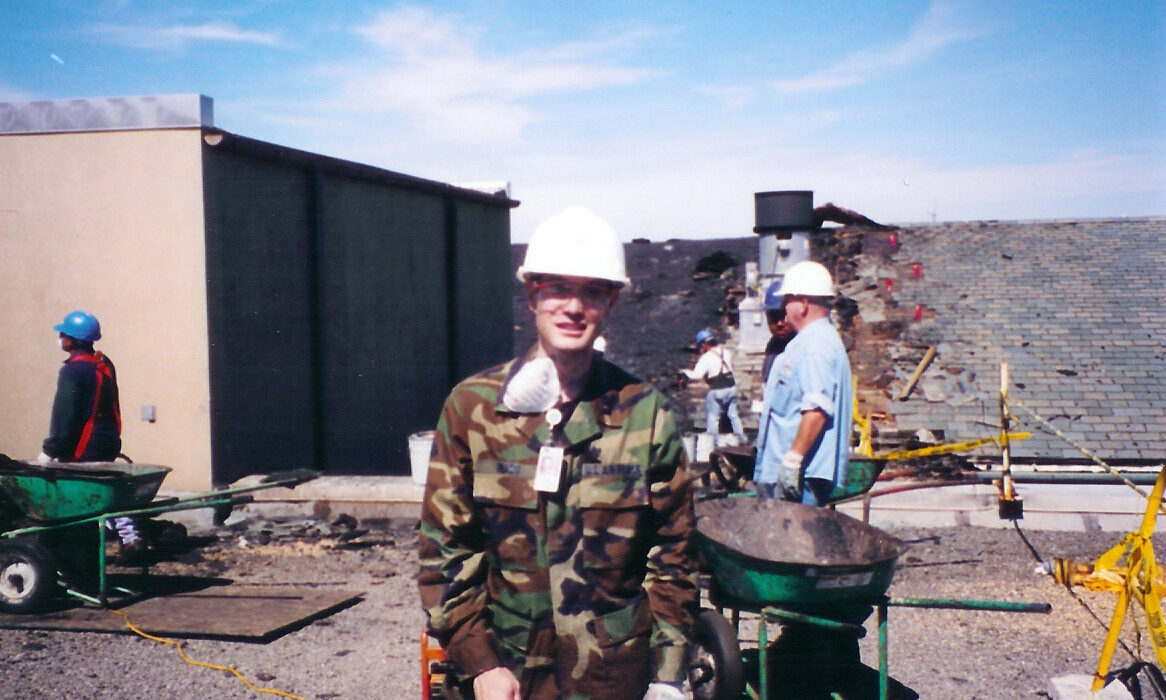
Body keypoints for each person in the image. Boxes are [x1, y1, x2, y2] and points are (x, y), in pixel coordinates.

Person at [418, 207, 695, 700]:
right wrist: (479, 663)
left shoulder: (645, 414)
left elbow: (674, 556)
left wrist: (668, 674)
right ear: (532, 294)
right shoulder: (473, 408)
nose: (574, 306)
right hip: (505, 678)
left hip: (613, 678)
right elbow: (446, 549)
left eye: (592, 291)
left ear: (611, 303)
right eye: (558, 289)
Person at [38, 311, 142, 555]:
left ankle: (84, 550)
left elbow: (65, 415)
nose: (60, 337)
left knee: (84, 498)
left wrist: (51, 450)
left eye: (63, 334)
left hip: (85, 444)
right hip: (108, 439)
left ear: (72, 340)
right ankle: (129, 536)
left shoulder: (73, 371)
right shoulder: (104, 364)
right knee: (106, 491)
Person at [754, 262, 852, 506]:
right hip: (798, 475)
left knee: (792, 542)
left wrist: (792, 460)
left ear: (804, 304)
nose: (784, 309)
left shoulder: (815, 346)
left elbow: (817, 409)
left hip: (801, 478)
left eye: (788, 299)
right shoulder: (810, 342)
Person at [680, 329, 747, 447]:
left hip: (717, 390)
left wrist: (684, 372)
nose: (701, 349)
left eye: (701, 346)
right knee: (733, 415)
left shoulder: (706, 357)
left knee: (713, 418)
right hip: (731, 388)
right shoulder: (726, 352)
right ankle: (742, 439)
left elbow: (697, 375)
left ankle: (713, 444)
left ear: (704, 344)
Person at [761, 281, 795, 387]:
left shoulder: (806, 348)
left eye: (784, 316)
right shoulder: (773, 346)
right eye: (774, 317)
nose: (780, 324)